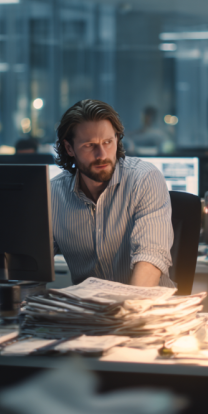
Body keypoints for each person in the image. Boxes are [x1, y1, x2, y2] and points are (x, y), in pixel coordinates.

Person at [52, 99, 174, 288]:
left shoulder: (144, 179)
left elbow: (150, 258)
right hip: (89, 312)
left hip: (146, 309)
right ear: (69, 148)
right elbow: (32, 268)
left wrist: (126, 313)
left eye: (108, 142)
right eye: (89, 145)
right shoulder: (53, 195)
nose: (102, 154)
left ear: (117, 139)